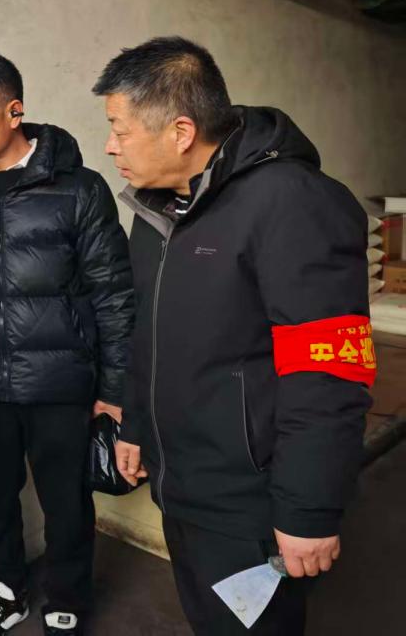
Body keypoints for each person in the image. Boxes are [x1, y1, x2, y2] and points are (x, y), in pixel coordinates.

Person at [93, 36, 373, 635]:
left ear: (181, 131)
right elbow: (148, 333)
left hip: (249, 504)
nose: (111, 146)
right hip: (180, 484)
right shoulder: (158, 211)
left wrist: (308, 510)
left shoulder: (291, 203)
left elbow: (329, 371)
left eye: (120, 129)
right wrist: (135, 425)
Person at [0, 51, 134, 635]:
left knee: (65, 498)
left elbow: (114, 294)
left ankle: (68, 596)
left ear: (14, 112)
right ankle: (8, 590)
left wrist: (114, 390)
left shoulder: (80, 190)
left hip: (60, 382)